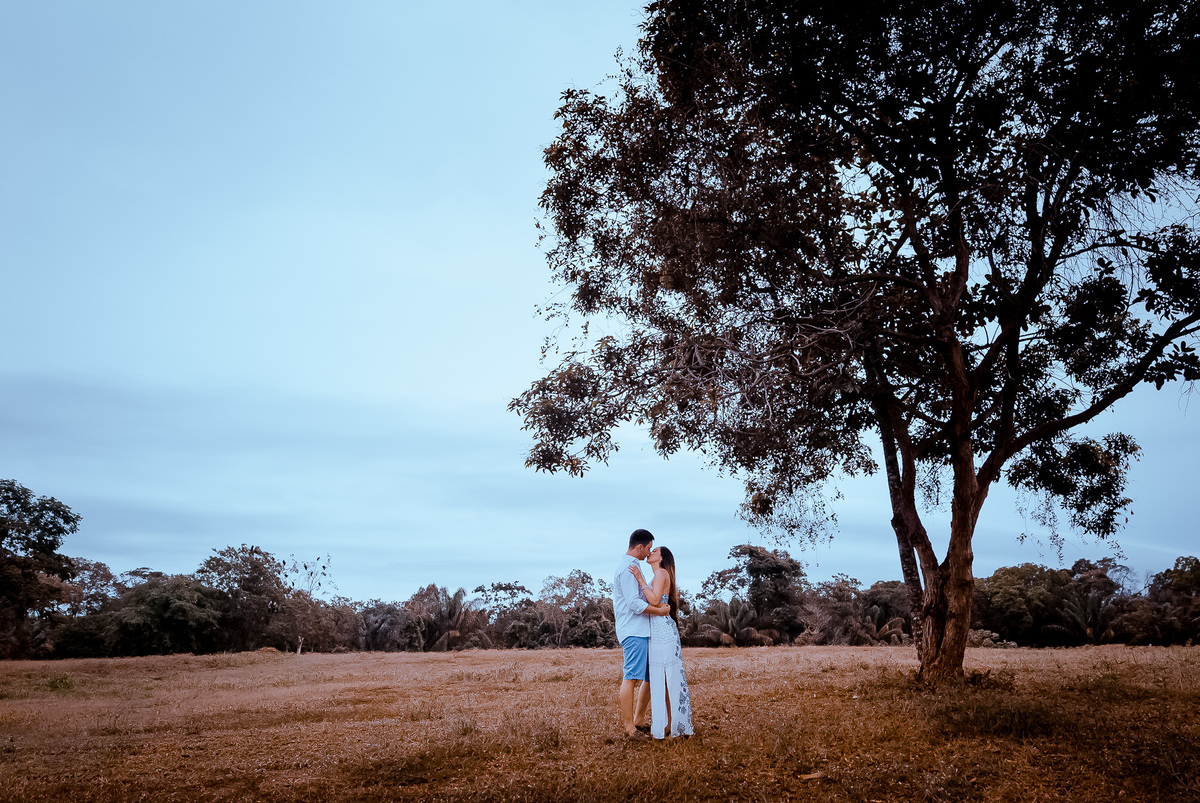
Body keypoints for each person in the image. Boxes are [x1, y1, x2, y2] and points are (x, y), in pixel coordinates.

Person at [629, 546, 693, 739]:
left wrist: (640, 579)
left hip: (662, 631)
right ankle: (670, 724)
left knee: (668, 678)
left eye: (654, 550)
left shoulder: (661, 573)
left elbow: (655, 601)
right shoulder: (659, 575)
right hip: (657, 630)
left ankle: (674, 724)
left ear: (661, 557)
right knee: (664, 679)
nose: (650, 552)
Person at [612, 528, 669, 740]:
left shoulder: (634, 566)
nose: (649, 552)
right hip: (633, 631)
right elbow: (634, 603)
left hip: (642, 630)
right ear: (639, 547)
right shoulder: (627, 568)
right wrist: (659, 610)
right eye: (648, 548)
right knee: (631, 677)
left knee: (648, 677)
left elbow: (643, 598)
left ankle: (639, 720)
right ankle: (630, 728)